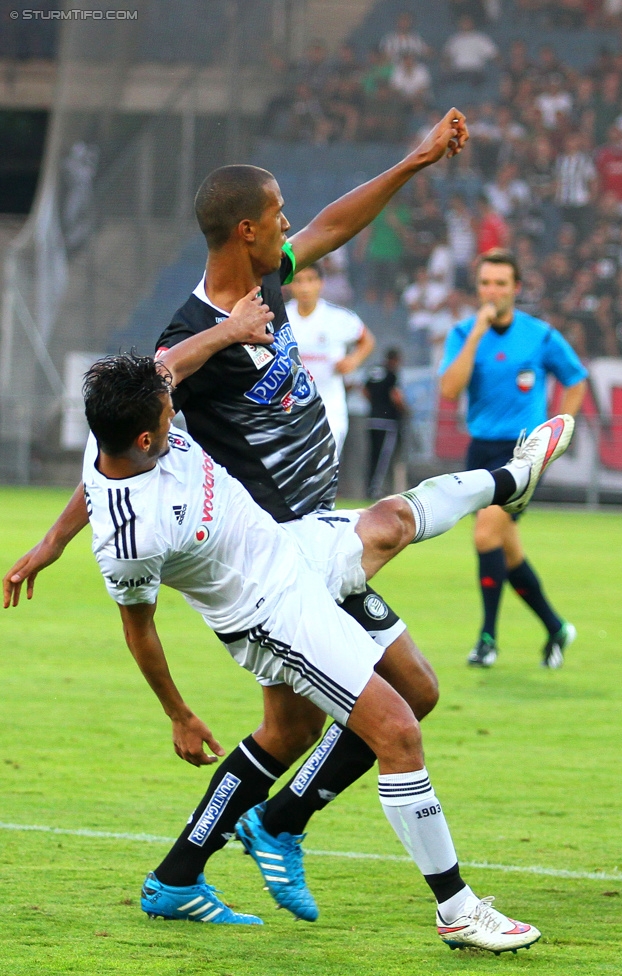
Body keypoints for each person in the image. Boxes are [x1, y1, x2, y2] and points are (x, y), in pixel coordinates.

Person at [3, 111, 475, 923]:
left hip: (317, 533)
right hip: (285, 556)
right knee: (397, 703)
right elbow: (123, 447)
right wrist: (55, 544)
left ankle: (209, 858)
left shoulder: (268, 278)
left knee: (319, 725)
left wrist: (414, 161)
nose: (293, 223)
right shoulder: (185, 338)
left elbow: (332, 225)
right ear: (247, 228)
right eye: (279, 211)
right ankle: (278, 837)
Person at [75, 352, 573, 945]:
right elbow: (139, 629)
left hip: (291, 549)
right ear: (143, 437)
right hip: (271, 615)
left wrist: (48, 547)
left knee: (391, 529)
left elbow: (151, 395)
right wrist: (178, 715)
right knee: (399, 730)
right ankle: (457, 910)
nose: (176, 408)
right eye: (168, 413)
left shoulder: (126, 417)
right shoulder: (130, 536)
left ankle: (184, 873)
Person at [439, 249, 588, 668]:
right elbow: (450, 391)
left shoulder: (539, 335)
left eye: (501, 284)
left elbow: (576, 379)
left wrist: (561, 431)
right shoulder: (463, 333)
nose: (493, 291)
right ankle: (556, 628)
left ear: (516, 289)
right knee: (506, 552)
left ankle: (487, 639)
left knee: (485, 535)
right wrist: (475, 336)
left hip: (522, 452)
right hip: (480, 451)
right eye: (486, 283)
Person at [285, 261, 375, 456]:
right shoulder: (280, 318)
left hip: (330, 409)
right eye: (299, 281)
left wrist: (353, 360)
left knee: (324, 469)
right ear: (290, 285)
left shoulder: (338, 318)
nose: (305, 287)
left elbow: (367, 340)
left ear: (320, 283)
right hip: (288, 411)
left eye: (310, 280)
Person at [365, 347, 408, 498]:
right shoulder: (391, 374)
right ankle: (374, 489)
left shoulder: (374, 371)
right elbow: (395, 395)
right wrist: (404, 409)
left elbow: (365, 390)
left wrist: (375, 405)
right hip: (388, 421)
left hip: (372, 419)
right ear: (395, 360)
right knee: (384, 457)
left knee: (373, 455)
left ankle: (370, 486)